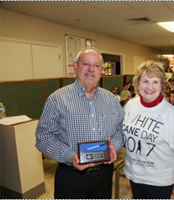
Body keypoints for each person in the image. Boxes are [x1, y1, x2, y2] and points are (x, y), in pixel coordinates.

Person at [35, 47, 125, 199]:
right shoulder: (57, 99)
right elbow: (44, 137)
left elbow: (121, 129)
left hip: (103, 174)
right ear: (75, 67)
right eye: (86, 64)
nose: (91, 69)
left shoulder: (110, 99)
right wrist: (70, 155)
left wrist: (113, 146)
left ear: (102, 70)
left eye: (96, 65)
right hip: (71, 177)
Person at [122, 60, 174, 199]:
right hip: (134, 175)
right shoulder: (131, 105)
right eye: (145, 81)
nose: (149, 87)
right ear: (137, 84)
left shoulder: (170, 113)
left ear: (162, 85)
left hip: (159, 181)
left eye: (155, 82)